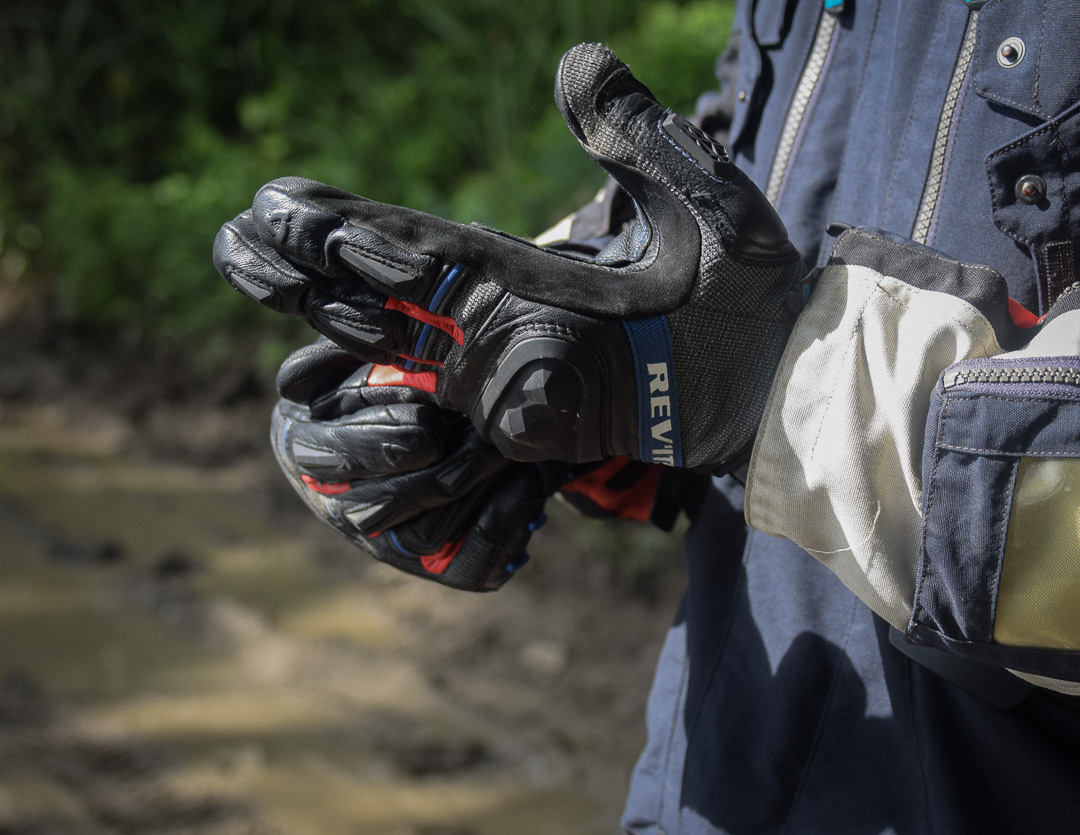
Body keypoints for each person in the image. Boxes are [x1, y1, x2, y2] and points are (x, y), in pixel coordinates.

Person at [213, 0, 1080, 831]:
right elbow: (758, 190)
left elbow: (760, 348)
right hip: (717, 777)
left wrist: (762, 382)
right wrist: (547, 350)